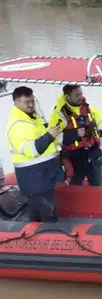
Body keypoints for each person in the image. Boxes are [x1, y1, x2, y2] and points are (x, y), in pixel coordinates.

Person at [6, 86, 65, 222]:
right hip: (35, 179)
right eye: (27, 102)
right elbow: (32, 150)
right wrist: (49, 136)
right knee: (49, 216)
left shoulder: (32, 118)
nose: (31, 104)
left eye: (32, 101)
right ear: (16, 103)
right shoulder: (18, 125)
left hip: (42, 177)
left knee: (38, 215)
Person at [48, 85, 102, 186]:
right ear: (67, 96)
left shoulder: (87, 107)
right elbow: (54, 137)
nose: (80, 97)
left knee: (97, 184)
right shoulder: (59, 114)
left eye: (81, 93)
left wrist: (101, 136)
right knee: (75, 186)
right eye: (76, 95)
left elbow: (100, 121)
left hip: (91, 153)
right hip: (74, 157)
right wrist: (74, 135)